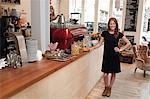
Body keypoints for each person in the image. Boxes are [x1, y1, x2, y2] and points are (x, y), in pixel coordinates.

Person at [98, 17, 131, 97]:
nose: (112, 25)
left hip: (114, 56)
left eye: (114, 23)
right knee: (105, 74)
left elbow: (128, 43)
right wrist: (90, 48)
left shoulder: (119, 34)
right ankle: (106, 87)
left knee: (113, 73)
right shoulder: (104, 33)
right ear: (109, 25)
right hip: (106, 56)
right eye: (111, 23)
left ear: (116, 25)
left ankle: (109, 88)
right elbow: (99, 44)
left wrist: (120, 49)